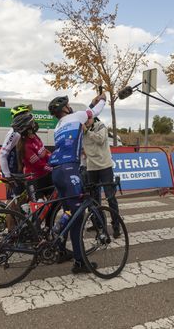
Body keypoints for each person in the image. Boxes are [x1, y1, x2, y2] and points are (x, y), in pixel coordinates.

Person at [48, 92, 107, 274]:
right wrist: (102, 98)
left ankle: (58, 244)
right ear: (65, 109)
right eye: (68, 105)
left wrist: (92, 102)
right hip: (70, 170)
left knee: (69, 211)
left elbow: (85, 112)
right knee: (77, 217)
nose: (70, 107)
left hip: (57, 172)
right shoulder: (76, 116)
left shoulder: (58, 126)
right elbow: (94, 112)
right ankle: (79, 261)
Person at [82, 116, 121, 238]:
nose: (86, 121)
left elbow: (101, 139)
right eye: (84, 120)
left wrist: (87, 132)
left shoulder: (101, 125)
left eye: (88, 119)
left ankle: (116, 227)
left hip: (105, 167)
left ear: (93, 118)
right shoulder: (82, 131)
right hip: (91, 168)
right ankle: (98, 224)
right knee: (93, 199)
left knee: (110, 198)